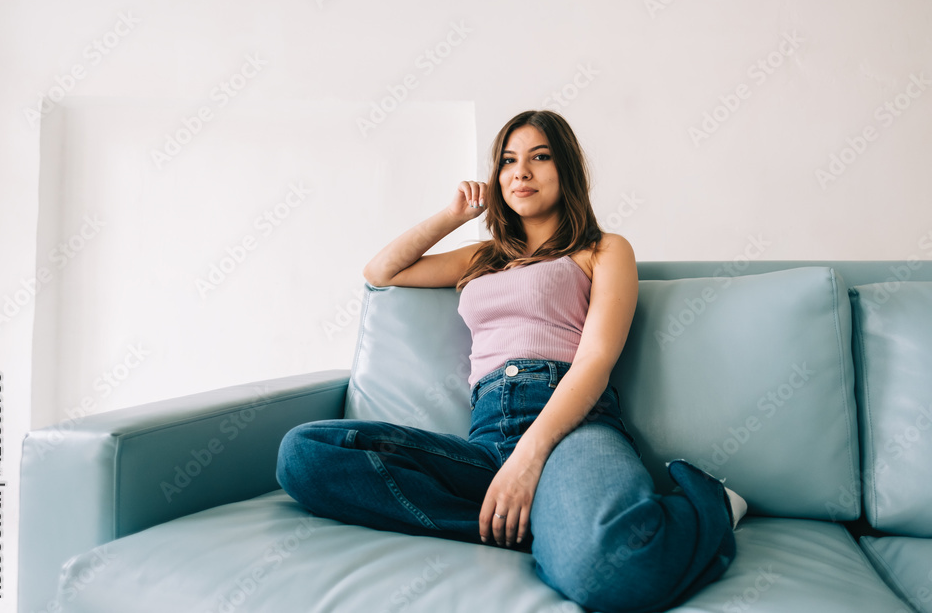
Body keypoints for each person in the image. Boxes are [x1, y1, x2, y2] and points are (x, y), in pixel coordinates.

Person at [276, 110, 747, 612]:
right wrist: (454, 217)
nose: (520, 172)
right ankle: (538, 527)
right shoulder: (484, 255)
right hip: (487, 445)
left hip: (574, 429)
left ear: (567, 170)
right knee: (304, 453)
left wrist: (529, 457)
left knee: (609, 575)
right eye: (508, 161)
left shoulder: (603, 249)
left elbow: (595, 360)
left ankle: (711, 502)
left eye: (539, 157)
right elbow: (382, 271)